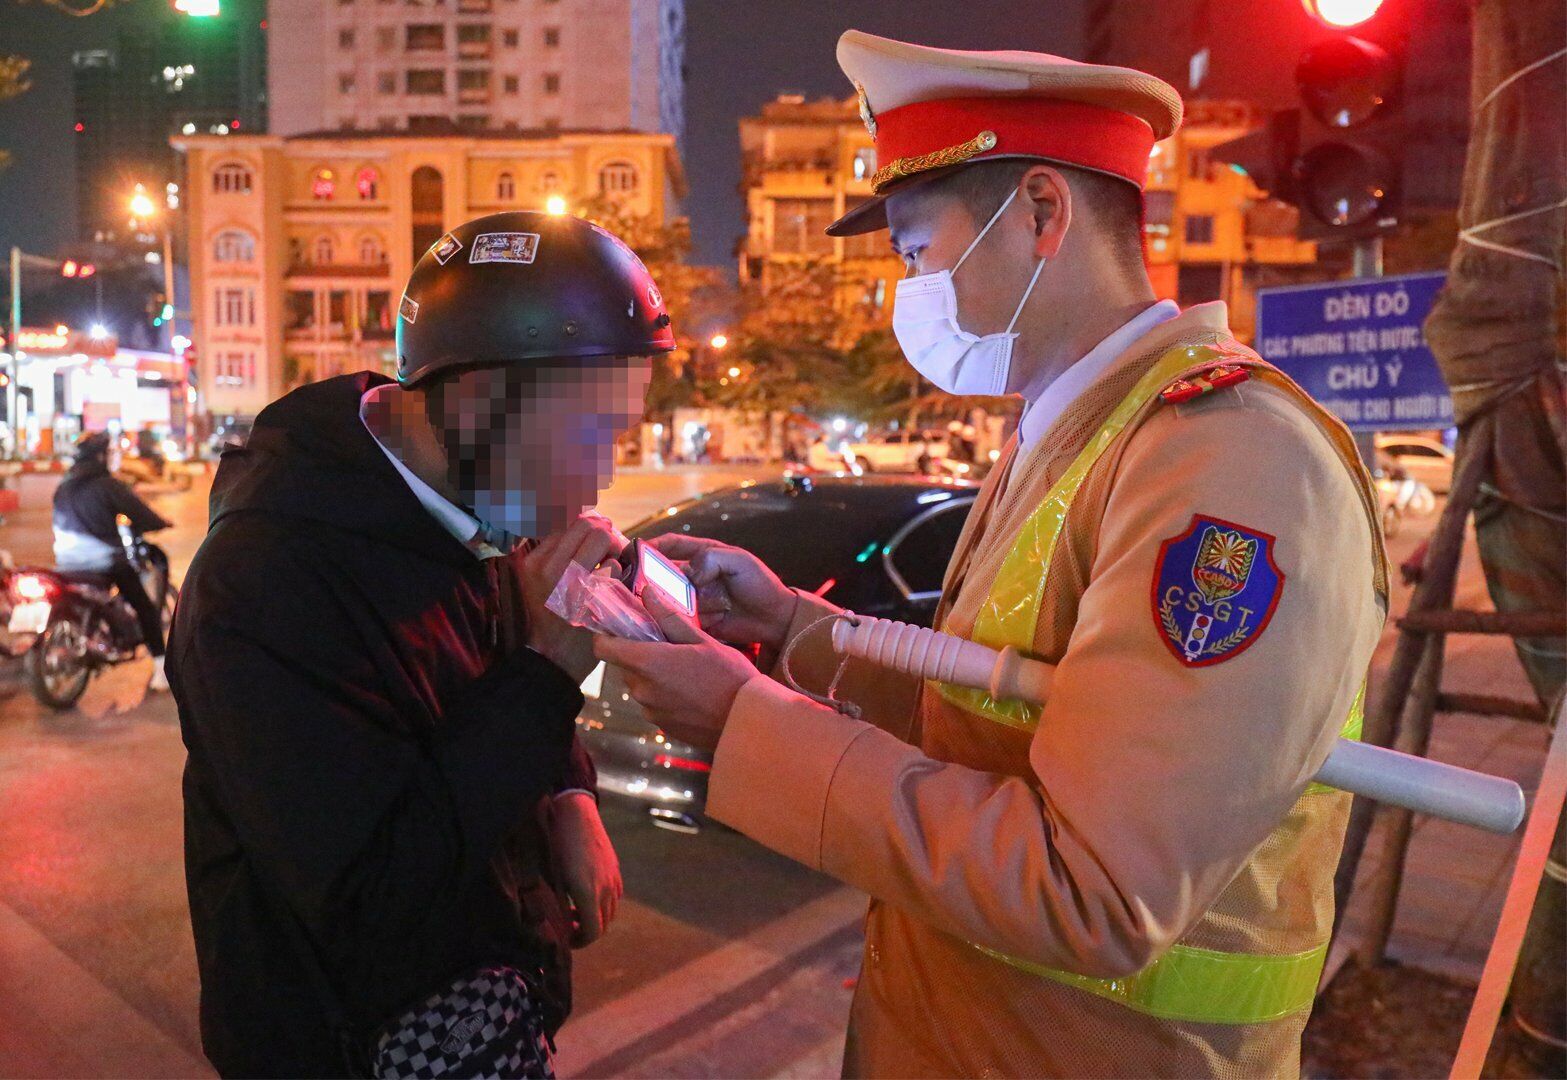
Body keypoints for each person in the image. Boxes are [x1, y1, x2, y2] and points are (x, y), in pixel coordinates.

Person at [594, 31, 1388, 1079]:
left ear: (1042, 215)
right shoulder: (1073, 431)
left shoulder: (1228, 459)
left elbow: (1094, 888)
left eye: (918, 253)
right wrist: (792, 632)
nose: (907, 293)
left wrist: (744, 726)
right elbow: (1001, 706)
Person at [169, 211, 670, 1077]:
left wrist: (567, 793)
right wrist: (548, 675)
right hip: (348, 1041)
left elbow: (490, 704)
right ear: (477, 399)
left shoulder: (479, 502)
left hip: (495, 991)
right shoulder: (262, 583)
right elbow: (365, 891)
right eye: (589, 431)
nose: (602, 474)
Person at [52, 430, 173, 690]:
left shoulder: (63, 487)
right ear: (100, 457)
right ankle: (161, 668)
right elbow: (140, 512)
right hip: (101, 563)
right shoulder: (107, 486)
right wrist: (160, 522)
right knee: (144, 605)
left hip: (65, 563)